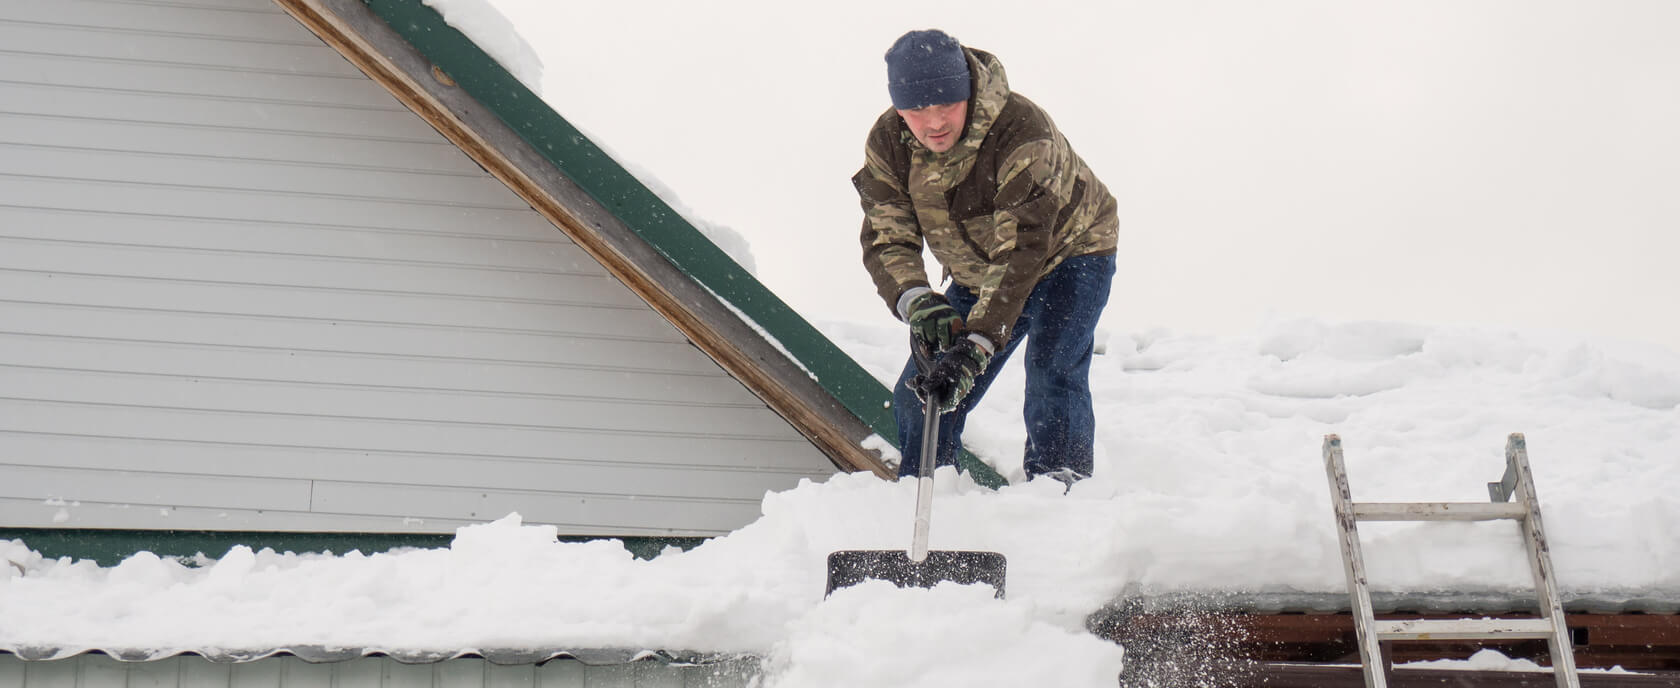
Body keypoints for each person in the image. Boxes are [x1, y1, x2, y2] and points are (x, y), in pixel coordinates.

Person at [854, 29, 1119, 486]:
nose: (934, 122)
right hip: (978, 271)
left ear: (969, 92)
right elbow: (887, 235)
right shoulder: (888, 144)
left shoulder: (1020, 130)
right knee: (924, 392)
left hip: (1069, 253)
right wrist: (918, 300)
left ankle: (1060, 498)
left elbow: (1021, 250)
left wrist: (975, 347)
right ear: (899, 107)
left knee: (1052, 371)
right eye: (917, 109)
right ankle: (932, 499)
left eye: (946, 105)